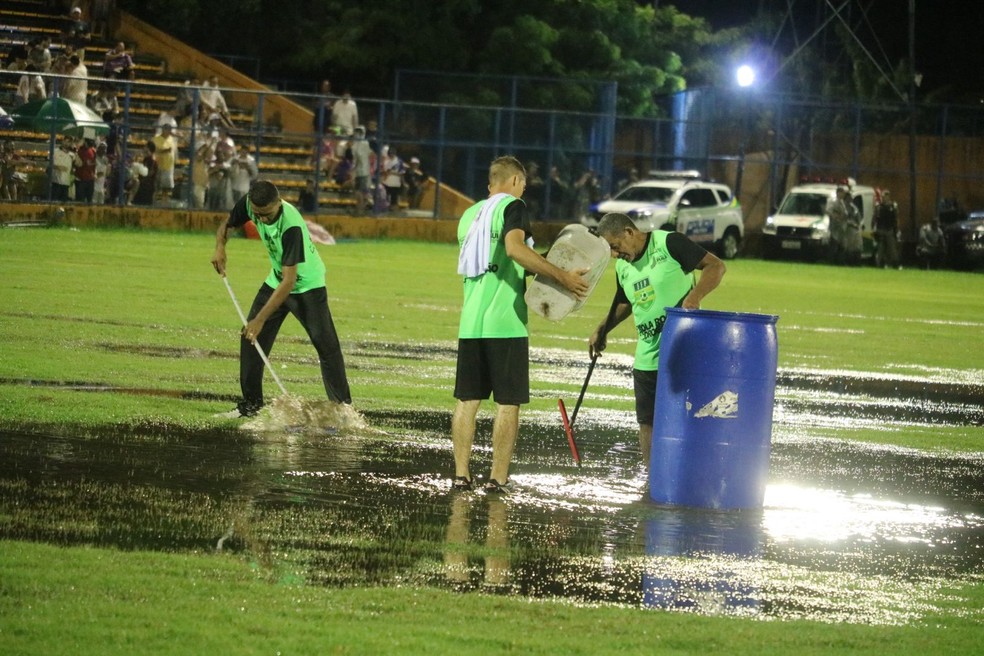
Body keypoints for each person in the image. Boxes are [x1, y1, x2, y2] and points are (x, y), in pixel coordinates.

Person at [451, 155, 590, 492]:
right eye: (524, 185)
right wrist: (563, 278)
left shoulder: (469, 216)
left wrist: (546, 271)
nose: (523, 190)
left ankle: (461, 475)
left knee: (467, 401)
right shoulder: (513, 207)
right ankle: (497, 479)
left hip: (470, 323)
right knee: (508, 403)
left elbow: (506, 259)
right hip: (506, 323)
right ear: (514, 182)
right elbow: (514, 251)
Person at [588, 212, 726, 468]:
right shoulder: (622, 267)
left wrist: (695, 297)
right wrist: (603, 329)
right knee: (647, 422)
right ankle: (653, 478)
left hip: (682, 352)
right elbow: (624, 301)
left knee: (688, 415)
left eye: (616, 247)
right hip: (647, 356)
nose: (616, 255)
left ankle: (687, 473)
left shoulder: (669, 243)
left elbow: (716, 266)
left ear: (629, 232)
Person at [210, 179, 352, 418]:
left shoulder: (291, 227)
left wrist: (259, 320)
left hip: (307, 285)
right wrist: (220, 248)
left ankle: (343, 411)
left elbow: (290, 282)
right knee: (250, 339)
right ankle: (251, 406)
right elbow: (227, 224)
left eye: (267, 214)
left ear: (278, 203)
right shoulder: (249, 203)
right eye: (257, 215)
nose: (262, 219)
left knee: (326, 347)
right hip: (277, 279)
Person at [873, 189, 901, 269]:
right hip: (881, 229)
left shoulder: (893, 206)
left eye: (885, 196)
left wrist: (897, 229)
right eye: (883, 196)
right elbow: (875, 217)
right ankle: (879, 264)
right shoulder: (879, 206)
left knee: (892, 249)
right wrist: (874, 228)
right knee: (880, 249)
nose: (884, 198)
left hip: (889, 229)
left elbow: (896, 218)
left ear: (888, 197)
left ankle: (895, 264)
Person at [151, 123, 176, 205]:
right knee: (157, 185)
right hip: (159, 165)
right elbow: (154, 151)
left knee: (167, 187)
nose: (168, 131)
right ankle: (154, 202)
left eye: (169, 129)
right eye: (167, 129)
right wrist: (164, 151)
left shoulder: (171, 139)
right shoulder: (156, 139)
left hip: (169, 165)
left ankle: (164, 203)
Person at [350, 125, 371, 214]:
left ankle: (360, 209)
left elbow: (360, 158)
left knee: (359, 191)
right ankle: (360, 208)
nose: (356, 134)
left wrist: (353, 170)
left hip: (362, 171)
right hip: (359, 171)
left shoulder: (363, 143)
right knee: (358, 191)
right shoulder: (356, 144)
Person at [825, 186, 849, 263]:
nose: (844, 195)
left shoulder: (842, 202)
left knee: (841, 247)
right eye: (842, 193)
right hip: (834, 227)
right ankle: (831, 262)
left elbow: (845, 213)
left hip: (841, 228)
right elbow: (828, 211)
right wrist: (836, 217)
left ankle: (839, 262)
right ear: (838, 193)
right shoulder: (833, 201)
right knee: (834, 246)